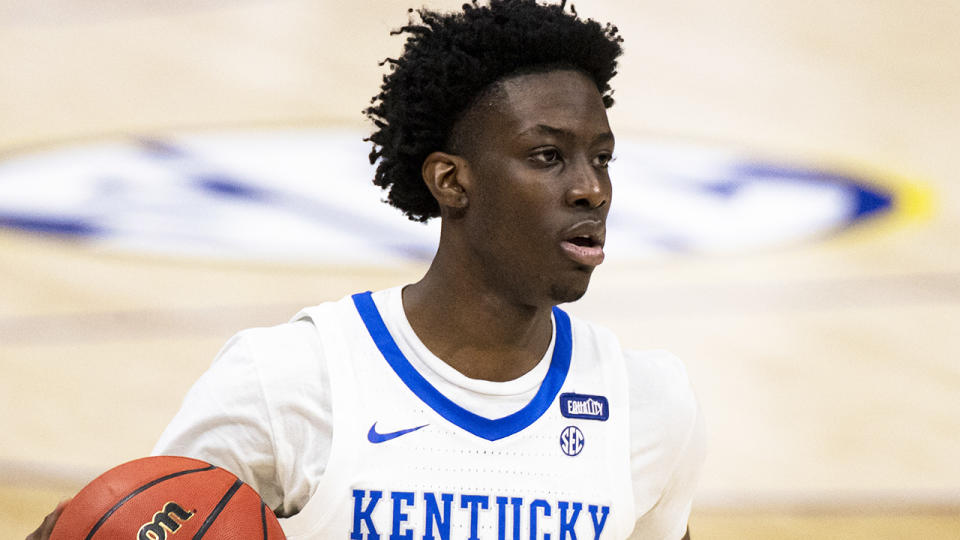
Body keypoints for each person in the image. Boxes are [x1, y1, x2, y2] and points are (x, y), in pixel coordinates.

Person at [28, 1, 704, 538]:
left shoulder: (649, 405)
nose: (592, 189)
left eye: (602, 158)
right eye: (548, 156)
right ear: (451, 181)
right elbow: (140, 518)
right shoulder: (289, 382)